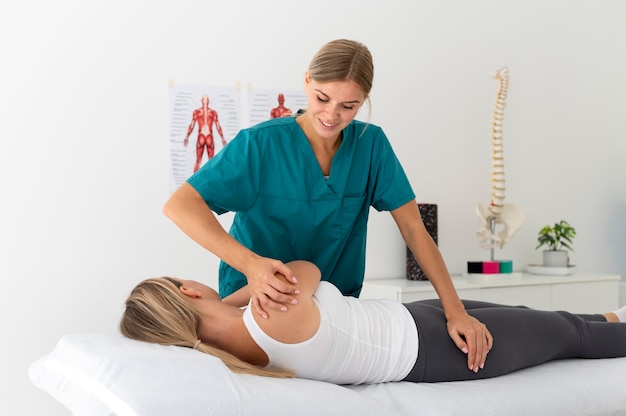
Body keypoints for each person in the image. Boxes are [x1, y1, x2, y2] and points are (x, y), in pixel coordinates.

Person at [163, 38, 490, 372]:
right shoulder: (261, 145)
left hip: (336, 314)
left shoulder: (371, 146)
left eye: (349, 106)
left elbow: (412, 227)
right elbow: (180, 205)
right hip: (258, 304)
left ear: (364, 100)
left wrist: (456, 311)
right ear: (307, 81)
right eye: (322, 98)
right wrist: (251, 265)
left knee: (493, 316)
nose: (332, 115)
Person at [120, 260, 626, 384]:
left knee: (538, 317)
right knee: (570, 335)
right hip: (433, 348)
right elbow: (308, 268)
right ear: (188, 290)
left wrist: (224, 310)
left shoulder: (231, 354)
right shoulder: (267, 309)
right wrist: (233, 296)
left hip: (412, 319)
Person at [183, 95, 227, 173]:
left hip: (202, 136)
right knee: (211, 161)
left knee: (199, 160)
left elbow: (192, 125)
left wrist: (187, 136)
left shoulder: (198, 112)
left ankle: (196, 182)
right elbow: (218, 126)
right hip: (208, 136)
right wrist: (222, 138)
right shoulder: (212, 113)